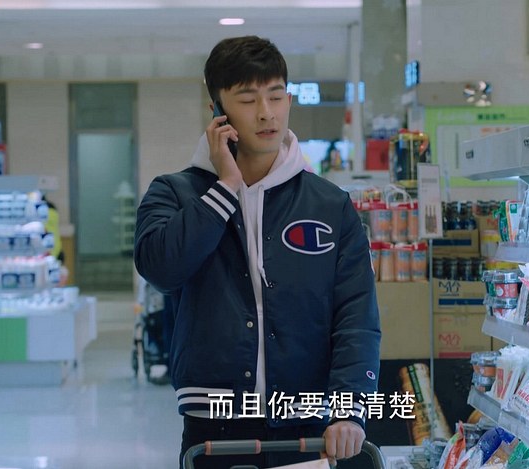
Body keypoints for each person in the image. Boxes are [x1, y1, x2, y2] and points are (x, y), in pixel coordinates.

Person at [134, 36, 380, 468]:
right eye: (248, 100)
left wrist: (350, 407)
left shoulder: (329, 205)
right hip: (213, 424)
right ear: (217, 110)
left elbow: (356, 313)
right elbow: (161, 269)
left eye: (276, 96)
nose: (267, 112)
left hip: (308, 423)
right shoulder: (174, 193)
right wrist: (225, 188)